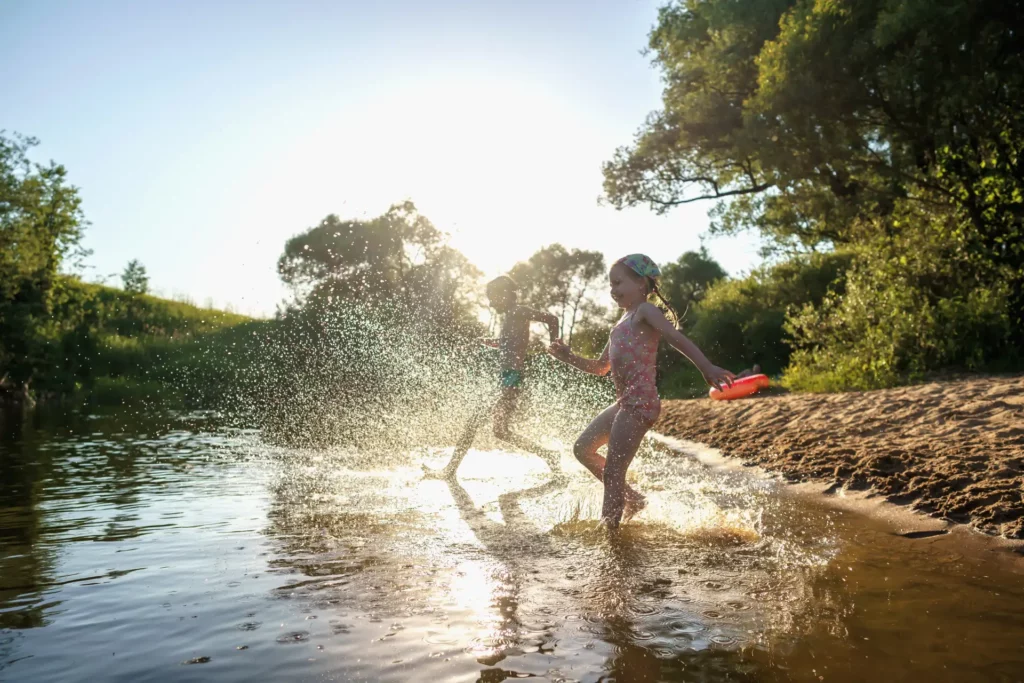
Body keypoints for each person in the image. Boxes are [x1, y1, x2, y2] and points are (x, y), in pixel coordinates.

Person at [548, 254, 735, 528]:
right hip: (623, 403)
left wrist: (707, 367)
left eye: (618, 283)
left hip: (640, 402)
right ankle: (633, 499)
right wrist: (568, 357)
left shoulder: (645, 312)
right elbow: (601, 367)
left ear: (641, 283)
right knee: (582, 449)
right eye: (610, 285)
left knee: (613, 470)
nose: (612, 290)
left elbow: (675, 338)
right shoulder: (620, 323)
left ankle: (609, 533)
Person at [424, 275, 562, 480]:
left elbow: (552, 319)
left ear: (505, 294)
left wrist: (554, 346)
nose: (490, 302)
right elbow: (508, 342)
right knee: (500, 431)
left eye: (492, 297)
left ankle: (449, 471)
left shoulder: (518, 311)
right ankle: (549, 455)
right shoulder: (510, 316)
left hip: (512, 377)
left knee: (474, 422)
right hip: (508, 377)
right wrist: (487, 342)